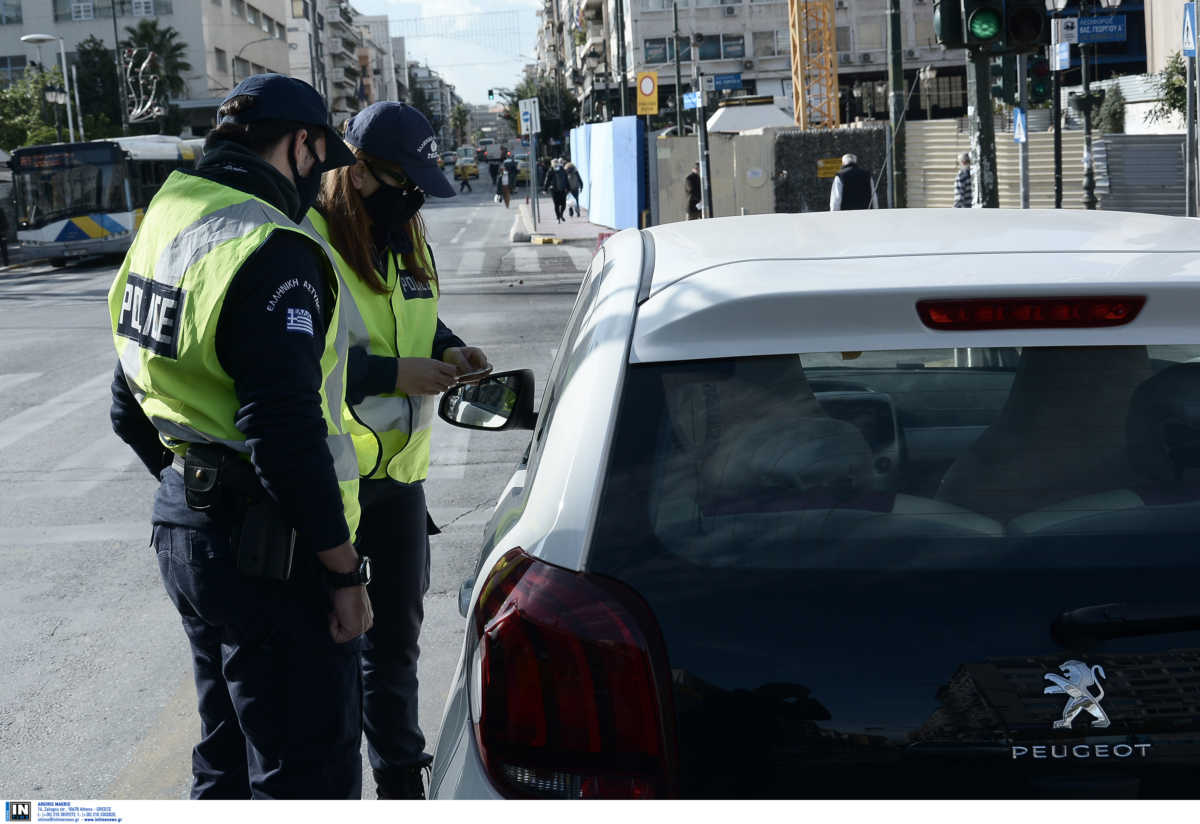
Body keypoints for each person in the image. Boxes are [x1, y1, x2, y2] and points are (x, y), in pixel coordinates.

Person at [107, 74, 371, 799]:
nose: (322, 180)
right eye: (322, 159)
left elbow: (127, 404)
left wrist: (199, 486)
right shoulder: (271, 244)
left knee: (224, 758)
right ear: (302, 144)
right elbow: (284, 432)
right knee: (305, 777)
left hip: (188, 534)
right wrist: (344, 573)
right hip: (273, 555)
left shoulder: (168, 217)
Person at [312, 101, 492, 800]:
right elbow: (291, 367)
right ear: (357, 173)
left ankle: (399, 786)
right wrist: (393, 375)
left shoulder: (404, 233)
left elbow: (415, 310)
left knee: (397, 649)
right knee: (336, 649)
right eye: (403, 182)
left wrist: (449, 346)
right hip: (334, 483)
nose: (414, 197)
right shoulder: (310, 242)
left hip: (400, 484)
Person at [543, 157, 570, 223]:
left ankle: (558, 217)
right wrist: (568, 188)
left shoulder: (551, 170)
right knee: (562, 204)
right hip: (561, 190)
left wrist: (545, 189)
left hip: (554, 190)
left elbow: (547, 180)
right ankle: (560, 215)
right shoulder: (562, 170)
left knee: (557, 205)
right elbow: (566, 180)